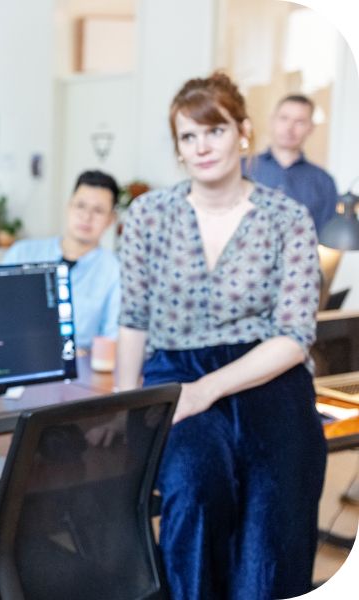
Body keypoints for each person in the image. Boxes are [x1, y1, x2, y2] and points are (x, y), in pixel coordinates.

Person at [116, 72, 326, 599]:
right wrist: (122, 413)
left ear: (243, 132)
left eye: (215, 130)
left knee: (271, 529)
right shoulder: (148, 215)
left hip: (268, 376)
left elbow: (295, 335)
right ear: (178, 149)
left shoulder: (288, 218)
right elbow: (134, 319)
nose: (202, 146)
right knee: (193, 490)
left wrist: (208, 389)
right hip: (176, 373)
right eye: (188, 137)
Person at [2, 170, 121, 348]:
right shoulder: (22, 254)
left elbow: (112, 340)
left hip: (79, 369)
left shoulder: (115, 271)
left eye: (98, 210)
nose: (86, 217)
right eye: (80, 206)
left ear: (111, 219)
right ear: (69, 206)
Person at [243, 94, 338, 231]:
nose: (289, 128)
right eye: (284, 118)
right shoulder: (243, 167)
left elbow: (327, 238)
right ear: (272, 121)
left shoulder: (324, 182)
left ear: (310, 128)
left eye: (299, 122)